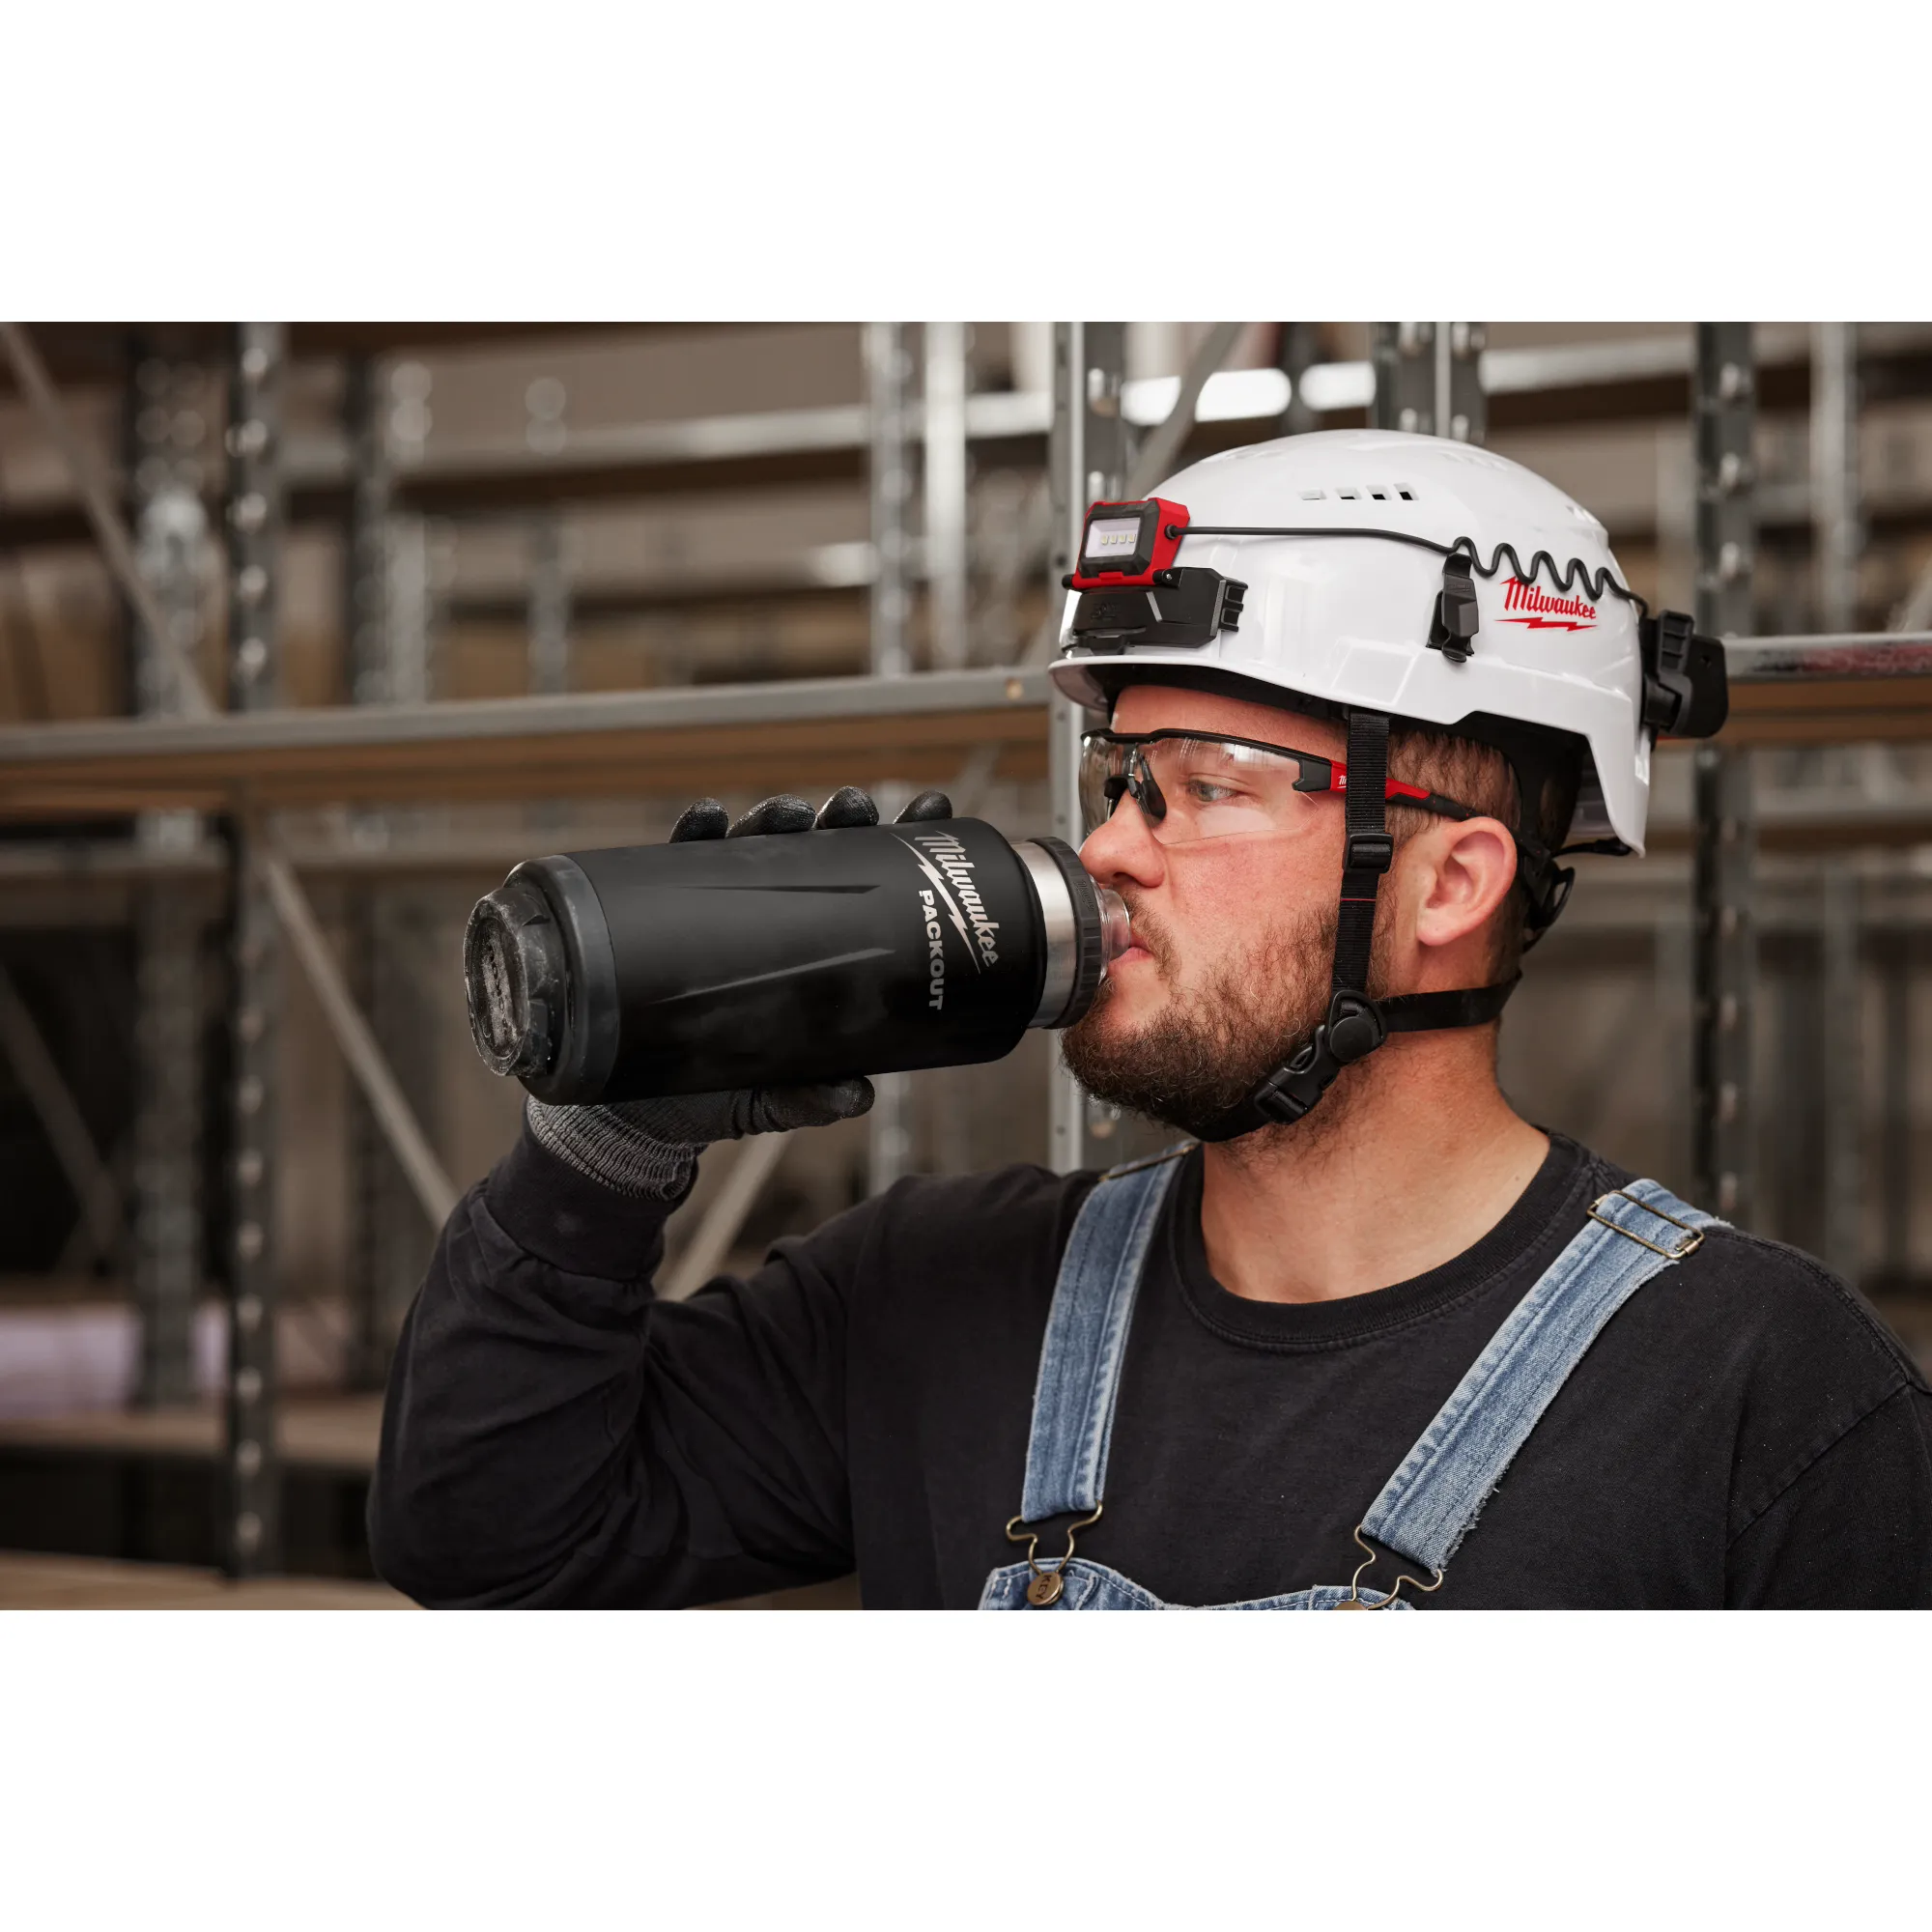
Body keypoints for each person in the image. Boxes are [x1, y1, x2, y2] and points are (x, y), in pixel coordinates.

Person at [368, 431, 1932, 1608]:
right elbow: (489, 1530)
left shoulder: (1753, 1395)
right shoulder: (937, 1298)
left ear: (1451, 879)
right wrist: (611, 1131)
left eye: (1210, 790)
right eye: (1124, 780)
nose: (1113, 846)